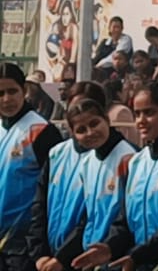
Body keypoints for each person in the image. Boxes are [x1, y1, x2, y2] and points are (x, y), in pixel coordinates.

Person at [71, 82, 158, 271]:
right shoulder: (137, 162)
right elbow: (125, 220)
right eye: (137, 113)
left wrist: (138, 255)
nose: (141, 120)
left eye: (149, 113)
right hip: (142, 262)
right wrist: (110, 246)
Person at [32, 96, 134, 271]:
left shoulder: (128, 158)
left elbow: (125, 218)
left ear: (107, 120)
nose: (90, 132)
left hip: (113, 257)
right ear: (73, 134)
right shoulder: (89, 162)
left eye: (94, 124)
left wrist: (63, 257)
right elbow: (86, 218)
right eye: (81, 129)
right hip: (87, 258)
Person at [27, 82, 110, 267]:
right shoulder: (57, 153)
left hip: (80, 260)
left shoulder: (111, 159)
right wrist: (39, 253)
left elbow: (92, 215)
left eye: (89, 108)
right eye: (75, 109)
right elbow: (40, 205)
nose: (81, 114)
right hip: (48, 259)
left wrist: (62, 258)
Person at [0, 63, 63, 271]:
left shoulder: (41, 131)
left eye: (12, 91)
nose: (7, 99)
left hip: (23, 241)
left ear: (24, 90)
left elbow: (53, 191)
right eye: (0, 93)